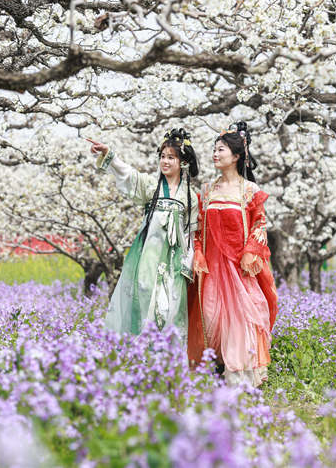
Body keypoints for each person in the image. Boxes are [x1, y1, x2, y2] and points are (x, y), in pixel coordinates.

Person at [188, 121, 278, 386]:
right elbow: (197, 228)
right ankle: (215, 368)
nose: (216, 155)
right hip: (212, 269)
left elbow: (260, 224)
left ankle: (239, 376)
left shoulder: (249, 192)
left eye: (222, 150)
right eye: (214, 150)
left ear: (237, 156)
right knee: (212, 316)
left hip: (240, 268)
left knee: (241, 319)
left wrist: (251, 252)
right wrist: (197, 253)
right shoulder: (206, 191)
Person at [88, 129, 199, 338]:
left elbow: (189, 234)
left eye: (171, 158)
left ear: (183, 162)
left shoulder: (190, 197)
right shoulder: (151, 186)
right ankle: (142, 349)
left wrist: (188, 262)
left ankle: (165, 354)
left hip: (174, 258)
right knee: (144, 292)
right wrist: (110, 154)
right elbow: (129, 175)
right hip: (148, 253)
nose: (165, 162)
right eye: (163, 157)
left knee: (170, 303)